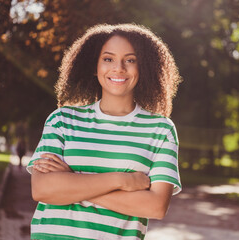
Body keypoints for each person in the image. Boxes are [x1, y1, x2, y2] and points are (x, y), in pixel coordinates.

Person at [27, 23, 182, 240]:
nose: (118, 68)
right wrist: (121, 180)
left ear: (143, 67)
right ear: (94, 65)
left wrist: (71, 180)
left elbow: (155, 207)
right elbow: (42, 189)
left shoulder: (161, 130)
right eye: (108, 59)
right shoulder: (62, 120)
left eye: (130, 60)